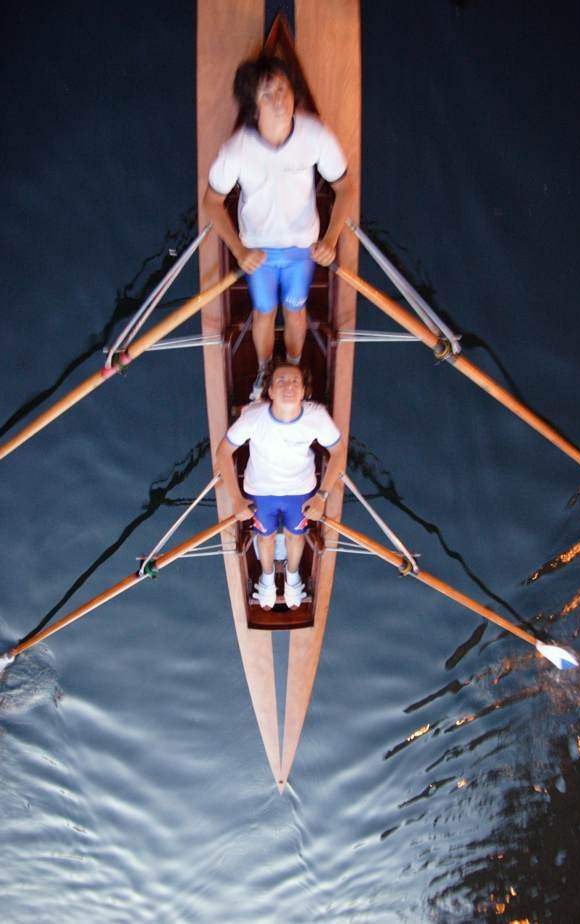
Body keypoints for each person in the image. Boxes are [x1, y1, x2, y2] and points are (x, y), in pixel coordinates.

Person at [203, 54, 353, 399]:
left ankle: (294, 367)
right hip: (258, 252)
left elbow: (346, 187)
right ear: (253, 107)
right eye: (267, 95)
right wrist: (239, 251)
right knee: (264, 312)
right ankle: (264, 370)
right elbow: (211, 202)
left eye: (283, 89)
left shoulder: (315, 134)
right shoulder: (236, 150)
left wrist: (331, 239)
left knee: (296, 311)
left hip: (303, 249)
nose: (280, 101)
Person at [215, 362, 346, 609]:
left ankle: (292, 577)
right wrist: (236, 499)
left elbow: (339, 452)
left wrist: (321, 496)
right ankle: (267, 578)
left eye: (295, 382)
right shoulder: (253, 416)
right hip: (260, 491)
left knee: (296, 536)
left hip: (300, 491)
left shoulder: (317, 416)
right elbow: (223, 453)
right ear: (271, 392)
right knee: (265, 538)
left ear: (304, 391)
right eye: (281, 381)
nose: (289, 386)